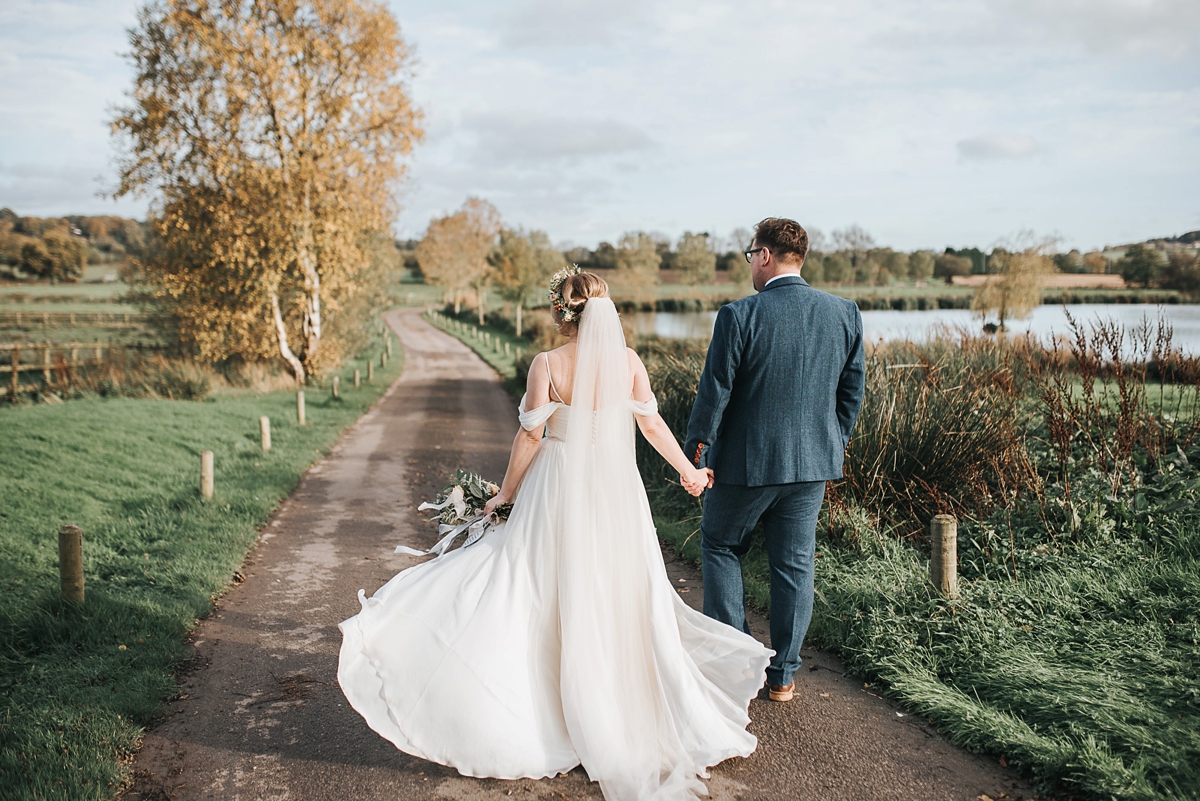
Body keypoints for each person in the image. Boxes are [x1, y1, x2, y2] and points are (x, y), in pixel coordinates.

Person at [338, 270, 772, 801]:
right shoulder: (630, 362)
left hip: (559, 484)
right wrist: (687, 471)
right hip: (616, 489)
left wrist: (506, 494)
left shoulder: (547, 364)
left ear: (559, 313)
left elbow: (530, 435)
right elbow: (653, 427)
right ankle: (612, 704)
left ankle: (546, 707)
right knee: (616, 590)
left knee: (536, 583)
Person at [684, 217, 865, 704]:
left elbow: (714, 393)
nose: (750, 265)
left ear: (764, 255)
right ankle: (783, 675)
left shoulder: (739, 315)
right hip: (813, 466)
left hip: (746, 465)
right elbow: (852, 393)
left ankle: (740, 659)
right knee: (794, 565)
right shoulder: (844, 313)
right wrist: (832, 442)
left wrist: (695, 452)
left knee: (721, 545)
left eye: (750, 256)